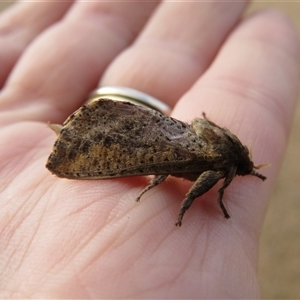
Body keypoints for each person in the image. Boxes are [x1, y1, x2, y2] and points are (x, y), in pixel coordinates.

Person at [0, 1, 299, 298]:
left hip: (162, 127)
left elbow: (202, 129)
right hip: (163, 144)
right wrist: (190, 209)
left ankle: (80, 135)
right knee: (151, 157)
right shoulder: (220, 163)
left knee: (156, 151)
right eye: (244, 170)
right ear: (236, 165)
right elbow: (203, 187)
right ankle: (76, 143)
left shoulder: (224, 152)